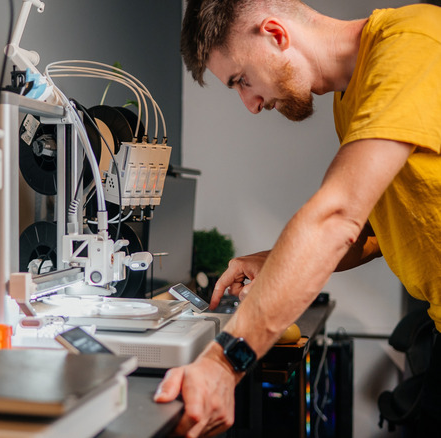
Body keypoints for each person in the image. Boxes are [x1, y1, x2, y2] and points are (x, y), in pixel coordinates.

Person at [152, 0, 441, 436]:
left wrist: (224, 361)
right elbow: (379, 230)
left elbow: (337, 216)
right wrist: (274, 262)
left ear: (275, 33)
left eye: (241, 80)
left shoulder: (413, 43)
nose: (249, 104)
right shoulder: (351, 99)